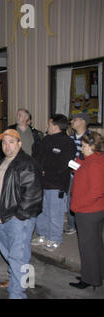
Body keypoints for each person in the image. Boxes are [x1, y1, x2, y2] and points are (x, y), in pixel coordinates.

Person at [0, 129, 42, 299]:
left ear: (19, 144)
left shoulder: (26, 163)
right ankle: (16, 280)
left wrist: (19, 216)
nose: (7, 145)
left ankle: (17, 294)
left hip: (17, 219)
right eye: (4, 142)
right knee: (9, 254)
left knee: (17, 256)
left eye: (11, 141)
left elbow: (32, 193)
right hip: (1, 217)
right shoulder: (2, 161)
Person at [31, 115, 76, 252]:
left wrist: (46, 171)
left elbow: (63, 164)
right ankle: (43, 235)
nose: (47, 127)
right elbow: (37, 157)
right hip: (42, 183)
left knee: (55, 212)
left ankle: (55, 238)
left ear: (56, 126)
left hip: (57, 184)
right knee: (41, 211)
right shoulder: (46, 140)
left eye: (49, 124)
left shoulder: (67, 142)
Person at [69, 132, 104, 290]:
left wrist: (78, 206)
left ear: (92, 146)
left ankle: (89, 279)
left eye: (83, 146)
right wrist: (78, 161)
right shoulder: (90, 159)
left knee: (88, 247)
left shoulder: (96, 163)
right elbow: (79, 172)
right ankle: (96, 273)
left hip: (88, 212)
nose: (81, 149)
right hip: (91, 210)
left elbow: (96, 191)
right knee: (95, 244)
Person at [65, 113, 91, 235]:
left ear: (83, 122)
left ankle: (83, 225)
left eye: (75, 120)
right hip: (72, 174)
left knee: (84, 200)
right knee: (71, 199)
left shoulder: (90, 138)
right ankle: (72, 225)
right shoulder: (70, 138)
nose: (71, 122)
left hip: (86, 176)